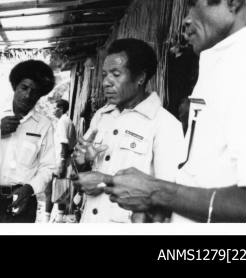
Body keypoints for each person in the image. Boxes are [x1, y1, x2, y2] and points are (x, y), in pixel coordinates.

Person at [103, 0, 246, 223]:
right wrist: (165, 210)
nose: (185, 19)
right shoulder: (219, 67)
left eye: (194, 3)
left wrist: (157, 193)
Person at [72, 38, 185, 223]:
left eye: (116, 74)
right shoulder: (102, 116)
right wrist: (82, 162)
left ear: (140, 77)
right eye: (104, 75)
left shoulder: (164, 124)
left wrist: (105, 181)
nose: (106, 82)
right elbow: (80, 172)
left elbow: (168, 193)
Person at [0, 60, 57, 223]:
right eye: (24, 87)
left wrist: (29, 189)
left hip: (24, 200)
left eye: (34, 91)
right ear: (15, 87)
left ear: (40, 95)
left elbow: (48, 167)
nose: (28, 95)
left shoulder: (44, 125)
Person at [44, 99, 76, 223]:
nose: (53, 110)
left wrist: (62, 162)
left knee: (50, 189)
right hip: (64, 159)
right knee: (60, 187)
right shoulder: (68, 121)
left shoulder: (63, 122)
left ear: (61, 109)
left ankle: (47, 219)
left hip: (61, 160)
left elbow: (64, 142)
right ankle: (60, 216)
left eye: (54, 107)